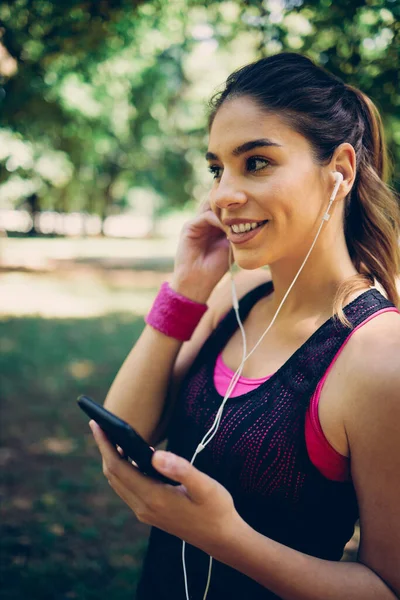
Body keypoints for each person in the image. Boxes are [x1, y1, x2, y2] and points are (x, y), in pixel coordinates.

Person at [89, 52, 400, 600]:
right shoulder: (235, 298)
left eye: (256, 162)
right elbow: (124, 430)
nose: (221, 195)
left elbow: (386, 588)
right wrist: (185, 291)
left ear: (341, 171)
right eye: (217, 168)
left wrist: (223, 537)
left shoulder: (377, 354)